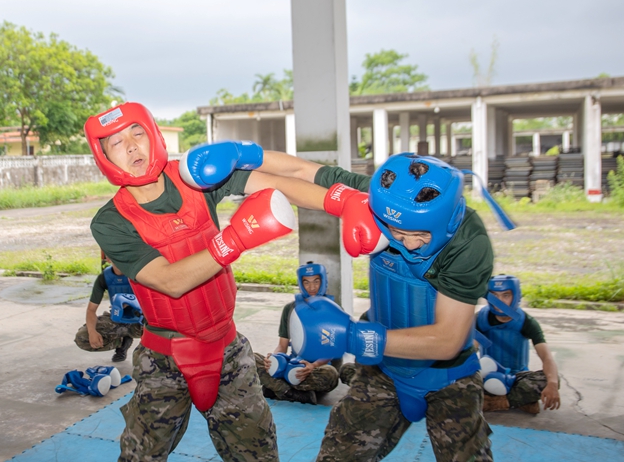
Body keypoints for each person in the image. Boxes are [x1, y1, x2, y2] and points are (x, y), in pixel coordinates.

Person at [188, 145, 500, 462]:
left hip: (449, 377)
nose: (407, 243)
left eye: (419, 235)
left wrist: (350, 336)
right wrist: (243, 154)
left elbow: (447, 340)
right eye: (395, 232)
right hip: (382, 370)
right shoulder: (379, 197)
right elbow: (302, 171)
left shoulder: (468, 241)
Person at [84, 103, 331, 462]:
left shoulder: (194, 177)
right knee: (139, 457)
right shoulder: (110, 221)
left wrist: (350, 200)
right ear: (103, 156)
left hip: (227, 348)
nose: (133, 146)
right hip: (163, 359)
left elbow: (282, 181)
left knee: (259, 456)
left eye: (137, 133)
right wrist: (237, 238)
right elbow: (169, 281)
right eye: (117, 143)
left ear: (153, 134)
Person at [254, 262, 341, 406]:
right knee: (253, 359)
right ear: (301, 283)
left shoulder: (333, 310)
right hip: (291, 364)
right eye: (306, 282)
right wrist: (273, 359)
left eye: (316, 281)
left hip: (317, 367)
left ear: (323, 281)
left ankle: (276, 387)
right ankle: (293, 393)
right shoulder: (290, 309)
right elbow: (282, 345)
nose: (312, 287)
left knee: (330, 375)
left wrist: (313, 366)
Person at [475, 274, 561, 415]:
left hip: (517, 377)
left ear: (516, 296)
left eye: (506, 295)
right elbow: (471, 350)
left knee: (552, 378)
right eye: (494, 296)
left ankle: (498, 401)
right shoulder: (480, 319)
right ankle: (521, 400)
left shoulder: (527, 322)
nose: (499, 301)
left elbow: (547, 358)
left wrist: (552, 384)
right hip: (486, 375)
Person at [74, 252, 144, 362]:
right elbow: (91, 310)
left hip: (140, 319)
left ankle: (146, 349)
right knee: (83, 338)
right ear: (108, 258)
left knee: (166, 335)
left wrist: (133, 302)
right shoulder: (104, 277)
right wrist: (92, 332)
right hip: (117, 318)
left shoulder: (140, 273)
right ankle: (122, 343)